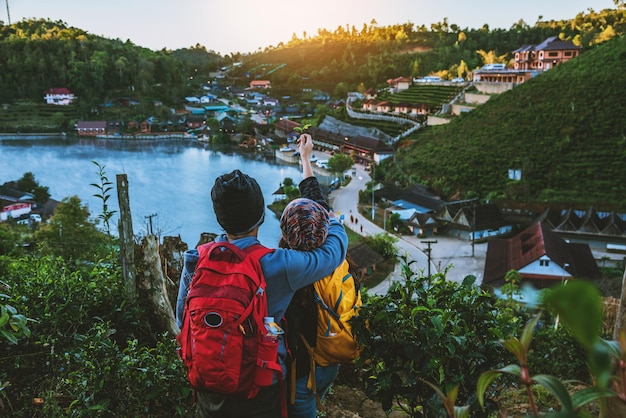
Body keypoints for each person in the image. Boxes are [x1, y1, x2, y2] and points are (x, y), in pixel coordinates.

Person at [175, 134, 348, 418]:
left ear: (220, 218)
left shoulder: (198, 258)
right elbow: (333, 253)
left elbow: (184, 318)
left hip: (209, 386)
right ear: (262, 216)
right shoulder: (278, 265)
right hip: (259, 387)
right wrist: (329, 216)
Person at [280, 134, 344, 418]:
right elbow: (318, 205)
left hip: (302, 373)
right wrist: (305, 157)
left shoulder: (283, 270)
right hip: (331, 358)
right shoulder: (334, 249)